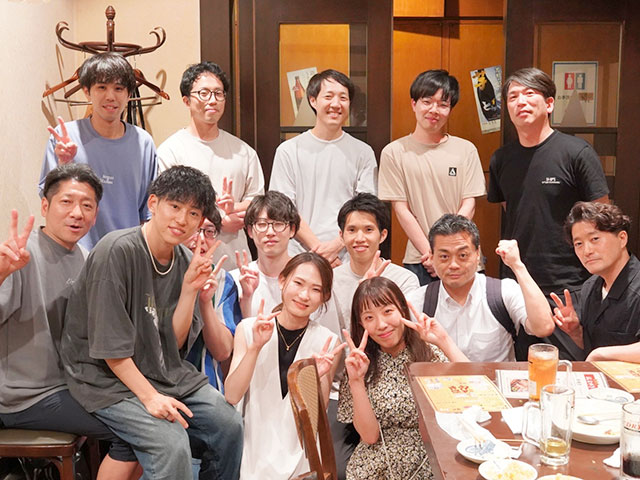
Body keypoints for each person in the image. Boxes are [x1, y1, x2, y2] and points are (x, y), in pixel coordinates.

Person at [60, 166, 243, 480]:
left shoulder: (185, 260)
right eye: (175, 206)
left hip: (162, 371)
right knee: (170, 443)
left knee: (228, 425)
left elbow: (174, 342)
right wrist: (150, 397)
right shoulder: (116, 251)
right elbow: (110, 350)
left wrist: (189, 291)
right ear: (154, 203)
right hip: (104, 378)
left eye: (193, 213)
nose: (182, 219)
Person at [1, 164, 139, 479]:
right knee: (136, 432)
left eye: (87, 205)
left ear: (96, 214)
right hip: (26, 394)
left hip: (73, 385)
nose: (77, 213)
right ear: (45, 206)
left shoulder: (85, 258)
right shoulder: (21, 255)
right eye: (67, 202)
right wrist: (2, 272)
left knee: (148, 415)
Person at [487, 67, 609, 360]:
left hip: (569, 282)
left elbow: (602, 217)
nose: (521, 101)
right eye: (513, 96)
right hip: (518, 283)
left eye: (530, 94)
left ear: (550, 103)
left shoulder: (576, 152)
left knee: (568, 367)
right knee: (524, 367)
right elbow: (513, 210)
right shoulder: (501, 159)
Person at [323, 192, 420, 479]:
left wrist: (373, 291)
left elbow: (406, 338)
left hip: (395, 387)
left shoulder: (404, 279)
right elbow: (331, 340)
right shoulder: (331, 281)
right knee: (338, 471)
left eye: (368, 229)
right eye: (351, 230)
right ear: (341, 236)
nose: (359, 238)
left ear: (383, 234)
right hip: (345, 388)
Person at [224, 252, 346, 479]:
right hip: (253, 447)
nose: (304, 295)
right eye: (298, 283)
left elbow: (316, 418)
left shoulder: (328, 342)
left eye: (315, 289)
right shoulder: (249, 329)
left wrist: (317, 377)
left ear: (324, 297)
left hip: (301, 455)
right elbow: (231, 395)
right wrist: (255, 348)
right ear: (282, 281)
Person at [338, 276, 467, 480]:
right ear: (361, 324)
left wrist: (444, 340)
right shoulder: (359, 364)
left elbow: (476, 389)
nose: (381, 325)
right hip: (376, 463)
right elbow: (369, 436)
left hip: (430, 458)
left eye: (388, 312)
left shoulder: (428, 353)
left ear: (402, 309)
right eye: (369, 318)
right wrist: (356, 381)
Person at [39, 52, 158, 251]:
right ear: (87, 91)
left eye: (118, 88)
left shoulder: (143, 143)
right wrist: (63, 164)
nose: (110, 96)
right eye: (101, 87)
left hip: (126, 253)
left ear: (129, 94)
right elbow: (49, 200)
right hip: (74, 252)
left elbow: (148, 212)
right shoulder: (65, 136)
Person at [379, 69, 486, 285]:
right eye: (427, 102)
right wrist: (432, 253)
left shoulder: (466, 150)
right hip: (421, 259)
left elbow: (469, 204)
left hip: (463, 256)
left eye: (442, 104)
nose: (434, 110)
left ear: (450, 109)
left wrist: (446, 251)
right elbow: (401, 210)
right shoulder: (394, 152)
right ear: (414, 104)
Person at [406, 214, 555, 362]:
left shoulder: (503, 292)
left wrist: (517, 265)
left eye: (462, 255)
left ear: (477, 254)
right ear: (431, 257)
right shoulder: (417, 301)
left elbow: (544, 327)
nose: (453, 265)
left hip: (495, 378)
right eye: (444, 256)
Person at [158, 61, 264, 263]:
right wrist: (218, 221)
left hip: (235, 261)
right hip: (185, 261)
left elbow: (257, 201)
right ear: (187, 100)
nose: (212, 100)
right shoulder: (170, 151)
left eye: (218, 93)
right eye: (204, 93)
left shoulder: (244, 151)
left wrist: (235, 207)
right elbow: (167, 207)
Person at [270, 69, 378, 266]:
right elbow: (283, 208)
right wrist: (320, 250)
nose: (336, 104)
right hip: (299, 255)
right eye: (328, 97)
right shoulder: (289, 150)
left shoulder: (363, 152)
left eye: (343, 98)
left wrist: (336, 246)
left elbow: (367, 208)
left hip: (348, 257)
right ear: (313, 100)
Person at [553, 201, 640, 361]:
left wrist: (600, 354)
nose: (587, 251)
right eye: (579, 244)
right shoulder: (590, 287)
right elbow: (590, 345)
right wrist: (575, 331)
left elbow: (596, 354)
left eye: (595, 239)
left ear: (622, 238)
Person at [183, 218, 242, 391]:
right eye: (194, 229)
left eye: (209, 231)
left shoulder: (222, 280)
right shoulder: (159, 271)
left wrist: (205, 302)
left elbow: (223, 351)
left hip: (205, 384)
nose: (200, 239)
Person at [229, 190, 300, 318]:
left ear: (292, 230)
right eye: (262, 224)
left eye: (278, 224)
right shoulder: (236, 280)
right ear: (250, 231)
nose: (270, 232)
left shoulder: (306, 278)